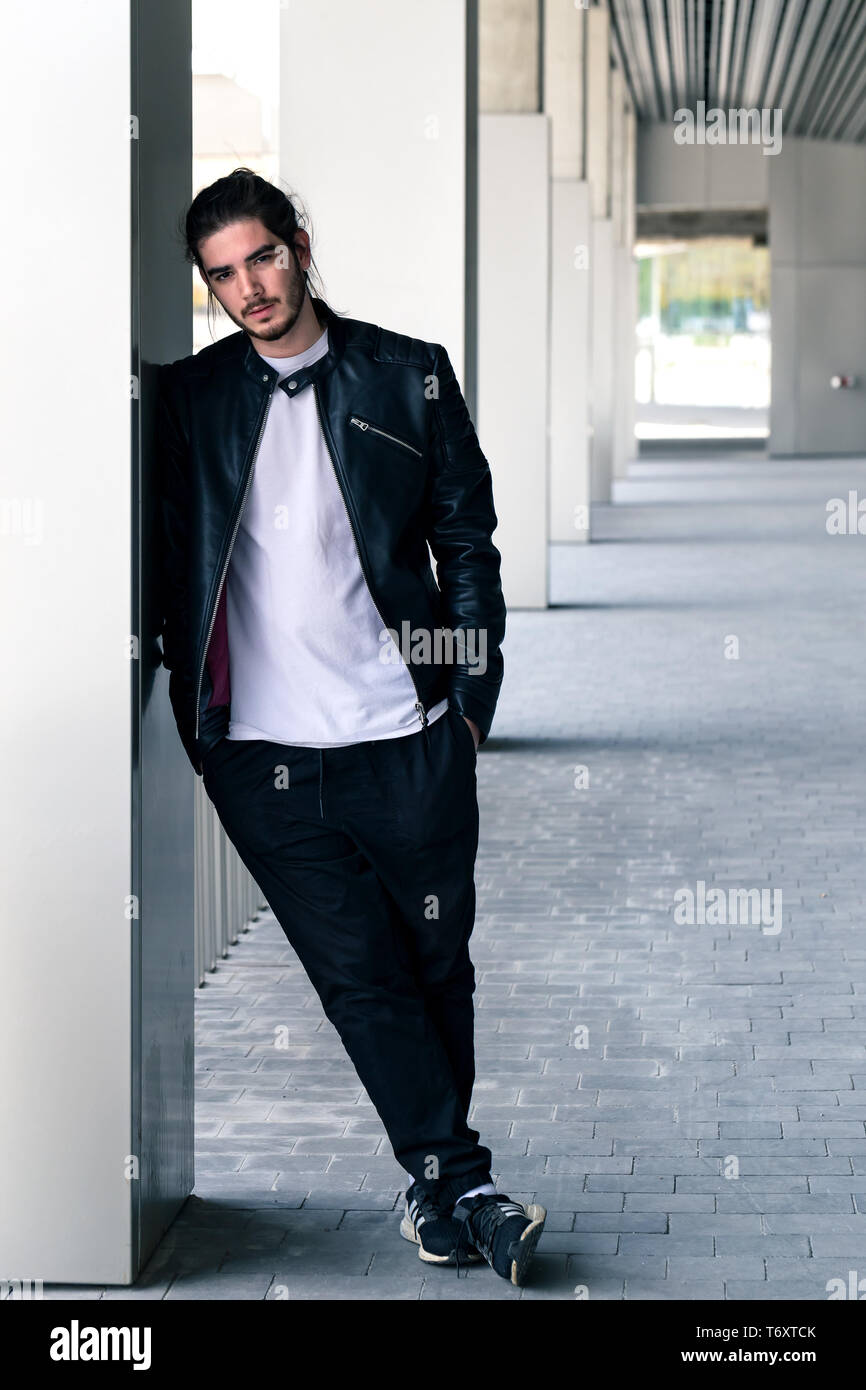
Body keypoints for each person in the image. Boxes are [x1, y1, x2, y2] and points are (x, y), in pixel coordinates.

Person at [155, 168, 546, 1285]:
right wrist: (199, 715)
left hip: (405, 732)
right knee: (358, 975)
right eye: (222, 274)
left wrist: (463, 709)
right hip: (262, 752)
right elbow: (161, 563)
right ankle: (462, 1178)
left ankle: (439, 1189)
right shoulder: (189, 401)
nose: (248, 288)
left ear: (301, 246)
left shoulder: (407, 372)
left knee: (433, 966)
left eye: (262, 258)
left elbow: (465, 543)